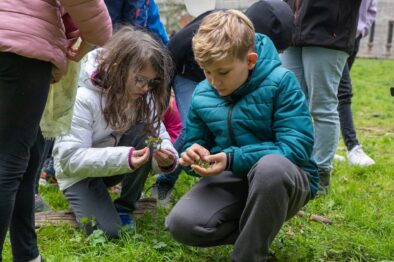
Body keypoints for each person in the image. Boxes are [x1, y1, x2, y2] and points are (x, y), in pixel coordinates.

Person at [165, 10, 319, 261]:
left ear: (250, 60)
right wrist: (194, 155)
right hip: (233, 176)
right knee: (181, 224)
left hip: (285, 178)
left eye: (223, 72)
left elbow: (296, 147)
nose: (214, 81)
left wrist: (231, 157)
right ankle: (257, 228)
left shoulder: (282, 83)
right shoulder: (203, 93)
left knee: (270, 169)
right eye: (207, 71)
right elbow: (197, 140)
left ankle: (248, 255)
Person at [152, 0, 296, 206]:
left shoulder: (274, 77)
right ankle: (165, 178)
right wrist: (163, 93)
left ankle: (227, 179)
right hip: (189, 76)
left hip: (230, 79)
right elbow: (171, 52)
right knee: (189, 129)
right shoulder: (215, 24)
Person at [0, 1, 111, 261]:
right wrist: (93, 39)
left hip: (23, 44)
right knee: (9, 162)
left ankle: (27, 253)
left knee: (25, 160)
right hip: (23, 52)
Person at [52, 26, 178, 238]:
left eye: (152, 82)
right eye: (139, 79)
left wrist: (165, 158)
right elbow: (69, 159)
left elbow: (160, 136)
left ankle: (125, 206)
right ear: (119, 68)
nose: (146, 88)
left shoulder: (143, 96)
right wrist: (125, 157)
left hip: (114, 164)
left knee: (148, 137)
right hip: (79, 174)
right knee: (109, 233)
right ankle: (87, 198)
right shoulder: (83, 97)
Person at [280, 0, 362, 193]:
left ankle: (319, 176)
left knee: (322, 107)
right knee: (290, 105)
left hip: (328, 33)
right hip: (292, 31)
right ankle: (293, 167)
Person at [336, 0, 377, 166]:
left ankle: (325, 148)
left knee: (333, 92)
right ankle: (353, 147)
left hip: (355, 37)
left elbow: (371, 7)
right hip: (333, 38)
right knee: (343, 91)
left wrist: (362, 29)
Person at [104, 0, 169, 44]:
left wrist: (166, 46)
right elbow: (110, 23)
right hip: (120, 47)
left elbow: (154, 21)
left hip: (140, 44)